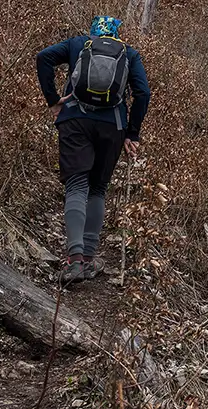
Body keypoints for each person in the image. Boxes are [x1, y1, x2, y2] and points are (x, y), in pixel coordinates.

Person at [36, 15, 151, 284]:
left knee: (76, 185)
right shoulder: (129, 53)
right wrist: (132, 133)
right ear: (116, 34)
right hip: (113, 125)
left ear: (93, 32)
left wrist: (53, 100)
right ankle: (88, 260)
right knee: (98, 188)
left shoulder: (78, 44)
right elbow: (143, 93)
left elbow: (43, 58)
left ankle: (73, 260)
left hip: (75, 120)